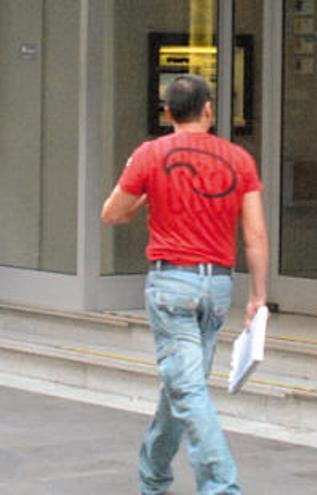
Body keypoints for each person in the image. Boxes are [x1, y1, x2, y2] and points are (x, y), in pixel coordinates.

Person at [101, 74, 268, 495]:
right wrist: (259, 298)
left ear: (168, 112)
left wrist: (146, 196)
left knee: (186, 388)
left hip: (171, 282)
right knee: (183, 386)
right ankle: (153, 478)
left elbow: (112, 213)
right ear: (209, 109)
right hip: (217, 287)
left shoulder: (150, 154)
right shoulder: (240, 159)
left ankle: (222, 486)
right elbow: (256, 235)